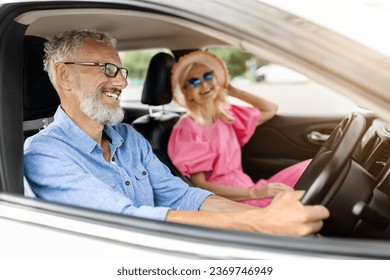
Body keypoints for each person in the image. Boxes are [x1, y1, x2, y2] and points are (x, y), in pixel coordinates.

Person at [24, 29, 329, 236]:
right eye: (107, 69)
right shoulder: (45, 153)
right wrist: (258, 221)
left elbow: (182, 195)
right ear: (65, 75)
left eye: (121, 71)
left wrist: (265, 213)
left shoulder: (129, 138)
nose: (121, 83)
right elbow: (125, 220)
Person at [168, 50, 311, 207]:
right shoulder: (187, 129)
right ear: (186, 93)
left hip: (250, 188)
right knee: (296, 203)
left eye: (208, 76)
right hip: (230, 200)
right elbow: (200, 186)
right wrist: (256, 193)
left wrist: (232, 91)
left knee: (311, 167)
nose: (204, 84)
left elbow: (270, 109)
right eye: (194, 82)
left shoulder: (226, 114)